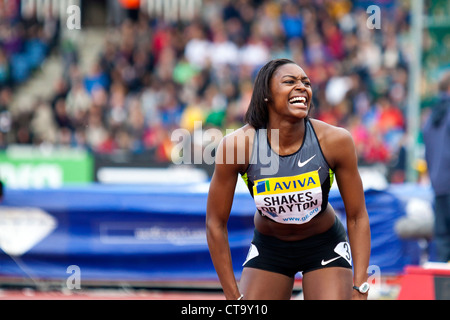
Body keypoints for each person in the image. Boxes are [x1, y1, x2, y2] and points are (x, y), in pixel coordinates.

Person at [206, 58, 371, 300]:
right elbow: (215, 224)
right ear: (267, 95)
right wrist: (233, 296)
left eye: (306, 82)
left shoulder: (335, 141)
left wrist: (360, 286)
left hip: (324, 245)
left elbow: (357, 216)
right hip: (270, 248)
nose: (302, 87)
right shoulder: (238, 146)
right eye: (290, 82)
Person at [423, 72, 450, 262]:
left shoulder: (431, 117)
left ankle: (443, 290)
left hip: (439, 185)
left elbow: (428, 154)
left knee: (442, 240)